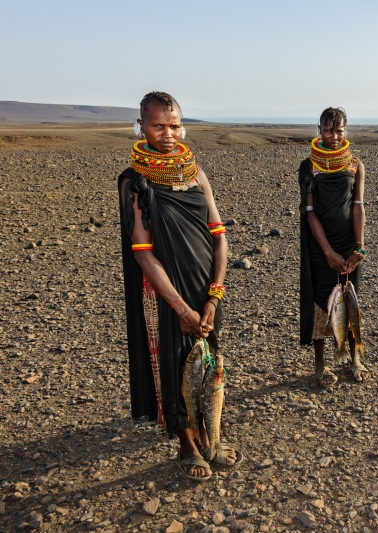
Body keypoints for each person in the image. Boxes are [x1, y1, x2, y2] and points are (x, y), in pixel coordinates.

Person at [118, 91, 240, 481]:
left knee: (208, 362)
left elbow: (219, 236)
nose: (167, 134)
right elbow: (142, 253)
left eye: (173, 125)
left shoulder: (196, 172)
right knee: (175, 363)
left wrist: (213, 297)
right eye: (157, 126)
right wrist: (182, 308)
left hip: (207, 287)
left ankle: (211, 435)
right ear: (141, 126)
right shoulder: (134, 182)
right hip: (167, 292)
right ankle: (186, 443)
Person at [299, 107, 371, 387]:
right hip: (320, 247)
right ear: (319, 130)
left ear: (346, 131)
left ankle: (354, 359)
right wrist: (327, 252)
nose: (334, 136)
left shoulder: (355, 164)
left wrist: (359, 248)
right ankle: (321, 365)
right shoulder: (309, 166)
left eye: (340, 130)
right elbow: (310, 211)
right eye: (329, 130)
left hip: (348, 244)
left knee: (349, 300)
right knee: (321, 302)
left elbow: (358, 207)